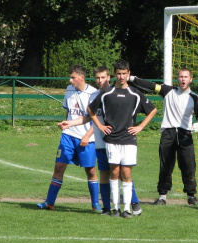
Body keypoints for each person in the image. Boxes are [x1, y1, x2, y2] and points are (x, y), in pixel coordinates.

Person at [58, 66, 143, 216]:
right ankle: (106, 207)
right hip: (100, 142)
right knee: (104, 174)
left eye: (103, 78)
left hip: (117, 141)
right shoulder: (93, 96)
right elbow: (88, 116)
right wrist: (70, 123)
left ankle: (134, 202)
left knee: (123, 173)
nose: (100, 81)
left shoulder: (115, 93)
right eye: (97, 78)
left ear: (109, 78)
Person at [87, 59, 157, 218]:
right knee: (114, 172)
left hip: (129, 140)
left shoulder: (135, 94)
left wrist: (140, 127)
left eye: (124, 73)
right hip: (111, 140)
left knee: (126, 173)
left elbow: (152, 110)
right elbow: (90, 110)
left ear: (129, 74)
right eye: (118, 73)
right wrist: (100, 126)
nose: (121, 77)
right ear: (115, 75)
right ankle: (115, 208)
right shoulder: (106, 93)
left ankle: (127, 209)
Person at [128, 68, 198, 205]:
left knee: (189, 166)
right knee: (166, 165)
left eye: (186, 77)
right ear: (177, 78)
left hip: (185, 135)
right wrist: (131, 78)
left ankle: (191, 196)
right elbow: (150, 85)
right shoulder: (168, 91)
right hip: (168, 134)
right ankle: (162, 196)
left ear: (190, 79)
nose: (183, 79)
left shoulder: (194, 98)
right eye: (181, 77)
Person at [37, 64, 100, 211]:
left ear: (82, 77)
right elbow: (68, 112)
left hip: (87, 138)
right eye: (70, 77)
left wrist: (87, 135)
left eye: (73, 77)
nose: (70, 80)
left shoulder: (94, 94)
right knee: (59, 167)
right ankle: (49, 202)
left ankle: (95, 204)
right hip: (68, 136)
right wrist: (66, 126)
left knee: (90, 171)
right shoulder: (69, 89)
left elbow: (97, 120)